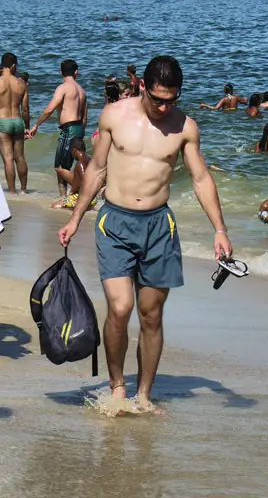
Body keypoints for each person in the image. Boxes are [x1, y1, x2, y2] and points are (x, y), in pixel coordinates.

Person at [57, 56, 233, 413]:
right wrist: (76, 216)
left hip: (158, 227)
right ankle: (118, 385)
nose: (164, 106)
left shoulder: (185, 128)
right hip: (115, 222)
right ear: (143, 88)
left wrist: (220, 230)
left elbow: (200, 179)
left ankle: (145, 395)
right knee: (120, 308)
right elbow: (97, 169)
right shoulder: (114, 116)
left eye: (172, 99)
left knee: (151, 315)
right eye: (157, 98)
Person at [28, 59, 88, 198]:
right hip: (79, 128)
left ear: (60, 72)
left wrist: (37, 125)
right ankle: (72, 195)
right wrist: (80, 133)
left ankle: (73, 194)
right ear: (76, 72)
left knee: (60, 168)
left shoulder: (63, 88)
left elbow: (49, 109)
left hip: (68, 130)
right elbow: (85, 117)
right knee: (68, 167)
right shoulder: (82, 90)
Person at [0, 52, 30, 193]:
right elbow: (25, 109)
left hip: (3, 121)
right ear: (13, 66)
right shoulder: (21, 84)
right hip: (18, 121)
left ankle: (12, 192)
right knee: (20, 157)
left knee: (8, 159)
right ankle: (24, 190)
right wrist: (27, 127)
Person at [51, 137, 95, 210]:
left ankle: (86, 206)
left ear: (73, 150)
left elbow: (84, 180)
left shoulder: (80, 163)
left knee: (54, 206)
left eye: (71, 152)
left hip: (84, 197)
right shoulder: (89, 159)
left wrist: (72, 193)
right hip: (92, 195)